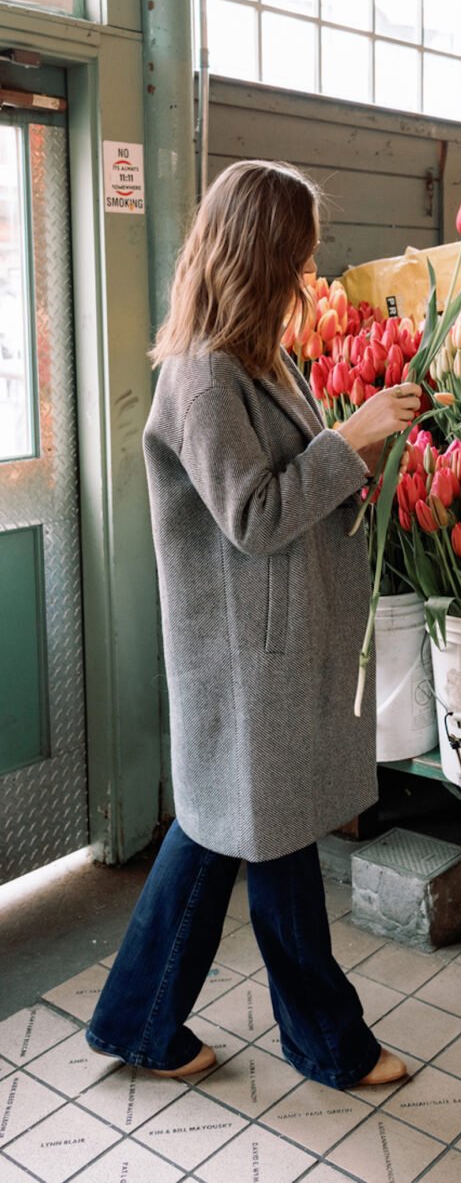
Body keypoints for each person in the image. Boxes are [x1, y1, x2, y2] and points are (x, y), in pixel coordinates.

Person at [86, 160, 421, 1088]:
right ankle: (327, 1045)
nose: (311, 273)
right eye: (301, 256)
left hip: (263, 645)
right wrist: (349, 440)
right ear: (261, 255)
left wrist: (358, 447)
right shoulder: (202, 378)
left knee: (219, 833)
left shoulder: (249, 358)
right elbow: (255, 515)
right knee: (268, 842)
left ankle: (137, 1022)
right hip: (242, 654)